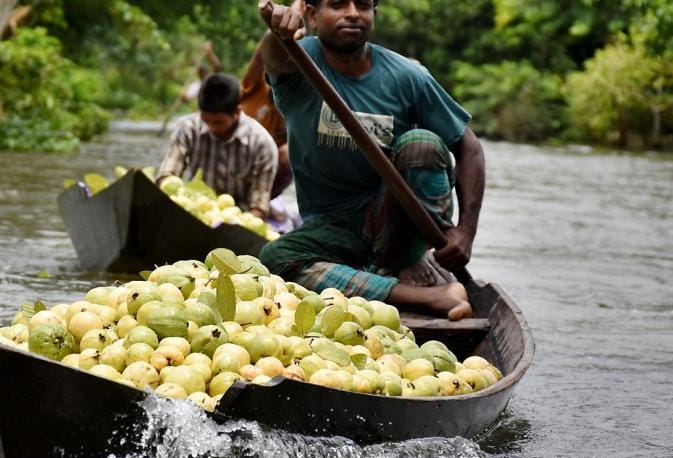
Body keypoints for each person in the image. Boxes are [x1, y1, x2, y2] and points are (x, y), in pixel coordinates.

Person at [256, 0, 485, 320]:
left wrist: (466, 232)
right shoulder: (298, 58)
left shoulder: (408, 76)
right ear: (312, 16)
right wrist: (279, 31)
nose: (352, 13)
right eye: (337, 4)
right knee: (274, 258)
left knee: (422, 144)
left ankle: (404, 261)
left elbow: (468, 147)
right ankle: (427, 296)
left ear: (373, 14)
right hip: (333, 227)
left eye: (363, 5)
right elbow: (274, 57)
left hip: (400, 224)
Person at [157, 73, 279, 219]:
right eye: (206, 120)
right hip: (196, 208)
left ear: (237, 112)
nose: (211, 128)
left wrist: (245, 223)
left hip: (237, 216)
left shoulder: (261, 143)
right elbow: (167, 174)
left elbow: (258, 204)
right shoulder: (187, 128)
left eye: (218, 122)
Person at [240, 0, 311, 233]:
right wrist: (286, 18)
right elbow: (265, 53)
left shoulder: (293, 106)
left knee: (289, 153)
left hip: (264, 176)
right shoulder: (255, 87)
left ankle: (259, 205)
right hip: (234, 161)